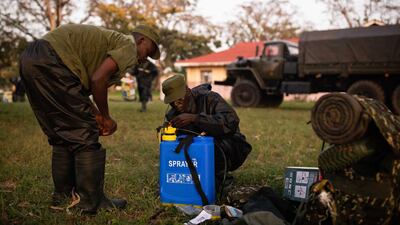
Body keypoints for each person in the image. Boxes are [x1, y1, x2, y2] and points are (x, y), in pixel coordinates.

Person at [19, 24, 160, 214]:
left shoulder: (111, 42)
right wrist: (105, 117)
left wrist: (94, 113)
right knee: (86, 133)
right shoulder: (129, 45)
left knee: (63, 132)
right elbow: (98, 79)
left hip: (32, 58)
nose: (144, 58)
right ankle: (90, 202)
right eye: (148, 52)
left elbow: (77, 91)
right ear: (141, 40)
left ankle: (63, 195)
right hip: (53, 60)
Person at [161, 74, 252, 191]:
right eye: (172, 102)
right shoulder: (172, 115)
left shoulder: (210, 98)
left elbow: (231, 122)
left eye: (180, 100)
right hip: (198, 154)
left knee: (210, 145)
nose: (176, 105)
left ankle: (221, 180)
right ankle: (194, 177)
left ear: (188, 91)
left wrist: (195, 118)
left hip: (230, 144)